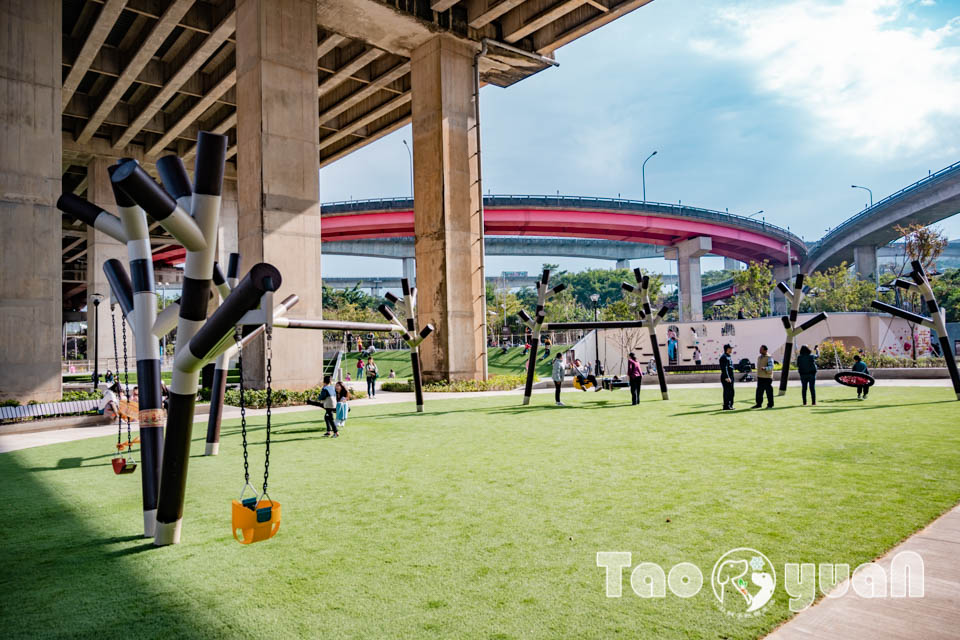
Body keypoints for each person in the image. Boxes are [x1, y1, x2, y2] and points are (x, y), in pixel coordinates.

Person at [720, 344, 735, 410]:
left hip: (730, 376)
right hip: (727, 377)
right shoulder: (724, 357)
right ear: (727, 349)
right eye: (730, 348)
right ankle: (726, 405)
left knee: (731, 391)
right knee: (727, 391)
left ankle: (730, 405)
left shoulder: (728, 356)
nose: (731, 349)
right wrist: (727, 377)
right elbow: (724, 368)